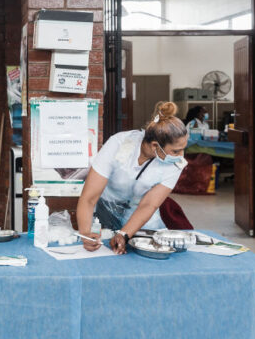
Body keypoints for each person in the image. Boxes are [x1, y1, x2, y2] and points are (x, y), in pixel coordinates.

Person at [77, 101, 188, 254]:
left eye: (183, 149)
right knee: (102, 251)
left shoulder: (175, 164)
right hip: (107, 208)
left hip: (142, 215)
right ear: (155, 146)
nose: (181, 156)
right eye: (176, 151)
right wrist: (86, 234)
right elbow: (89, 197)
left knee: (145, 253)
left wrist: (124, 234)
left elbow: (149, 204)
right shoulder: (119, 143)